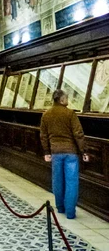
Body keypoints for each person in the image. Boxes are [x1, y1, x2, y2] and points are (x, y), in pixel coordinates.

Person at [40, 89, 89, 219]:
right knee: (71, 182)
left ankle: (60, 207)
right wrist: (83, 150)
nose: (68, 100)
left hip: (55, 152)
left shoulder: (46, 115)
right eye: (66, 98)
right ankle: (70, 213)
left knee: (57, 181)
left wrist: (46, 151)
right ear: (62, 100)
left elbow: (43, 136)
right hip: (71, 153)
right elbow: (78, 134)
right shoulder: (70, 114)